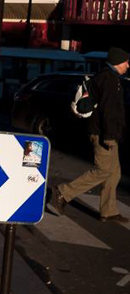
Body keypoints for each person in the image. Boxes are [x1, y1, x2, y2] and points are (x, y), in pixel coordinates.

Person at [49, 46, 129, 224]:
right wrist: (109, 136)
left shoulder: (111, 77)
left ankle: (108, 211)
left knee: (114, 173)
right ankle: (63, 192)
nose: (128, 66)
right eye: (126, 62)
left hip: (108, 133)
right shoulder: (107, 79)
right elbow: (108, 111)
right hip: (103, 134)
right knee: (103, 170)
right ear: (117, 62)